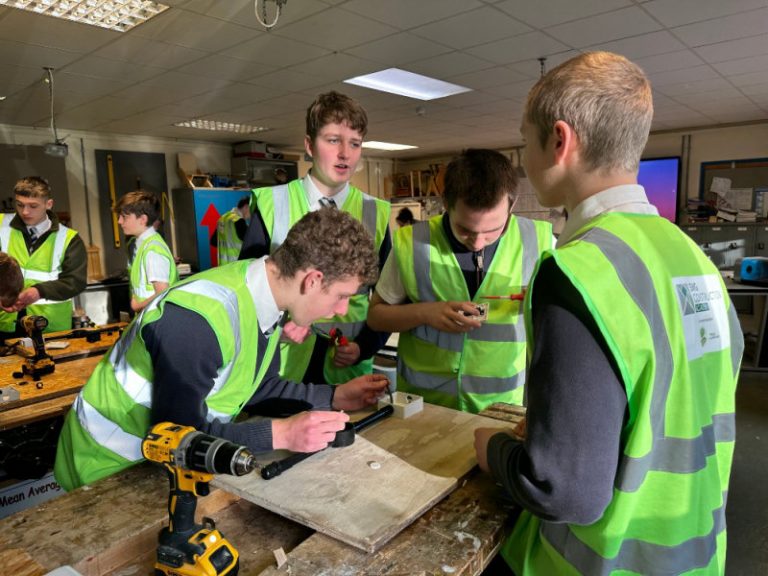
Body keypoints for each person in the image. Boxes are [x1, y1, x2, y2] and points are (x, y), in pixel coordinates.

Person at [473, 52, 744, 575]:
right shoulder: (694, 260)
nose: (525, 161)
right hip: (692, 553)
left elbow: (565, 491)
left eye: (525, 141)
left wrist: (494, 450)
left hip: (604, 561)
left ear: (559, 140)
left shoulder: (579, 273)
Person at [54, 208, 390, 491]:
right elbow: (174, 437)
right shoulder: (199, 321)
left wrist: (333, 396)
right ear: (313, 280)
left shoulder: (264, 297)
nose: (343, 310)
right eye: (342, 296)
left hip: (160, 461)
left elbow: (257, 386)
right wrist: (282, 433)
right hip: (109, 466)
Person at [367, 149, 553, 413]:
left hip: (500, 408)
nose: (477, 242)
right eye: (464, 229)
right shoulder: (412, 243)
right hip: (425, 407)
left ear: (512, 205)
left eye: (492, 230)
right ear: (446, 203)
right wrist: (424, 312)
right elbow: (376, 317)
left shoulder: (541, 241)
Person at [239, 91, 391, 386]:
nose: (345, 153)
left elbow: (390, 297)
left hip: (348, 364)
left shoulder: (376, 212)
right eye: (333, 140)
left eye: (355, 143)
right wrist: (275, 325)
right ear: (309, 145)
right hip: (284, 365)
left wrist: (365, 347)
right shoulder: (272, 203)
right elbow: (246, 289)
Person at [0, 176, 87, 337]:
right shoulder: (1, 225)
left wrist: (38, 291)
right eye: (20, 205)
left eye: (33, 206)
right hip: (4, 323)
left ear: (49, 204)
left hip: (48, 326)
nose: (25, 212)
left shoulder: (69, 239)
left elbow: (75, 282)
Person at [115, 191, 179, 313]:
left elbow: (163, 293)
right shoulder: (142, 245)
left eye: (124, 217)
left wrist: (137, 306)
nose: (119, 221)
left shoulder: (152, 251)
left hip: (157, 322)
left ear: (143, 219)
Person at [213, 196, 251, 265]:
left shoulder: (223, 218)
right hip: (236, 267)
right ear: (246, 207)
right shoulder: (239, 221)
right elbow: (250, 245)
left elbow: (213, 241)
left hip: (223, 267)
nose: (251, 215)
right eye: (251, 210)